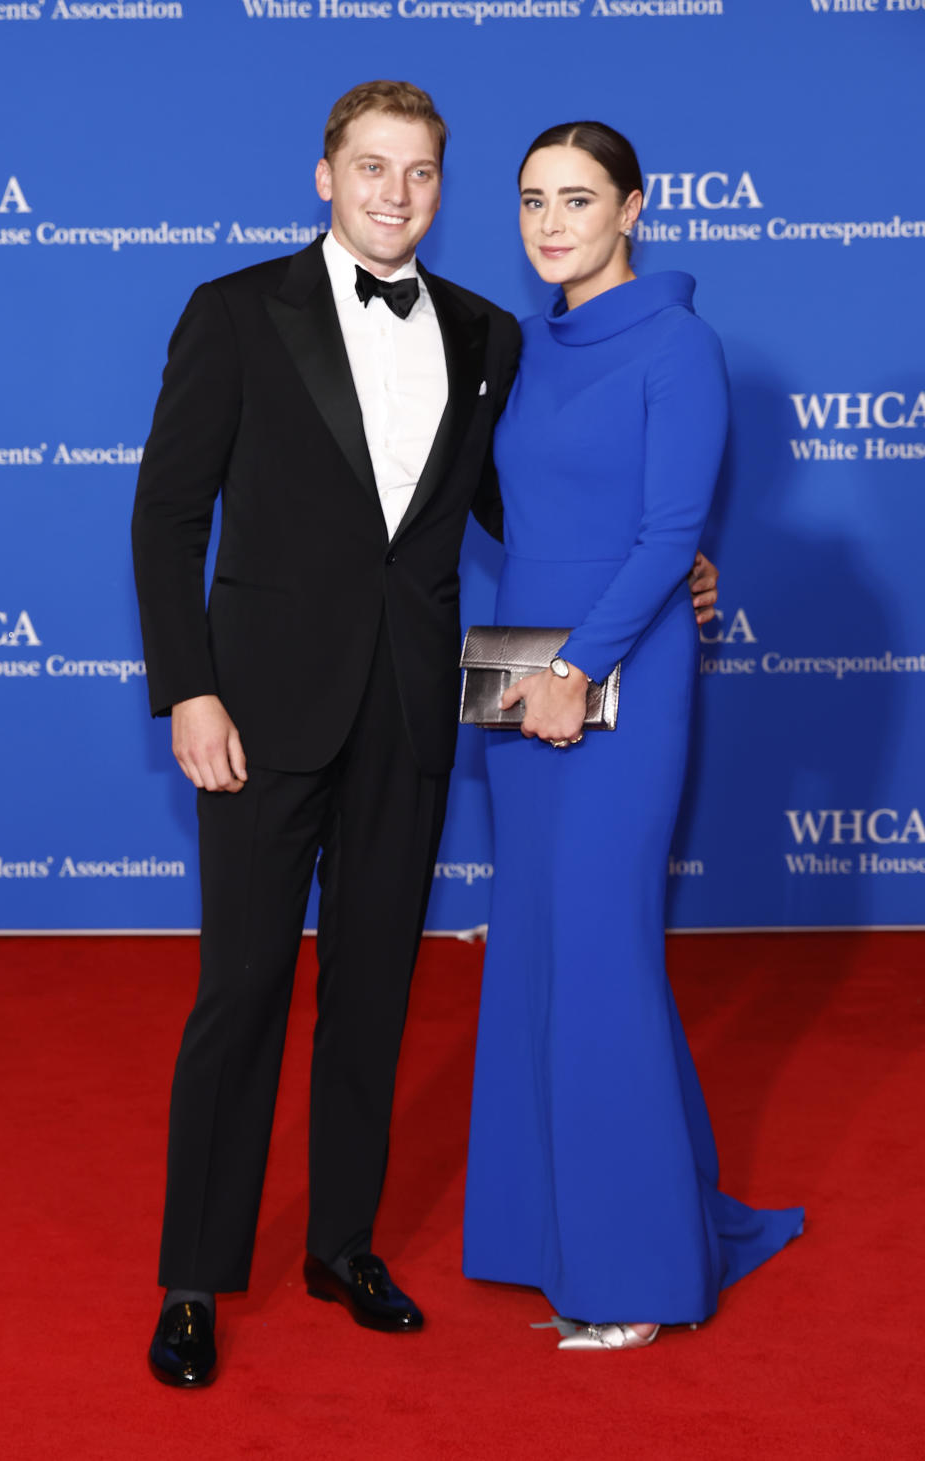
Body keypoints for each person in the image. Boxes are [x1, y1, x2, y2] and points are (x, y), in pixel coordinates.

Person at [132, 84, 719, 1387]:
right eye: (370, 169)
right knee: (239, 998)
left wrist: (672, 565)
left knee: (374, 996)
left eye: (420, 174)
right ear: (327, 176)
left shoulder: (490, 335)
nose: (395, 194)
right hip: (262, 715)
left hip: (411, 715)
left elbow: (542, 503)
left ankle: (342, 1244)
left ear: (441, 193)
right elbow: (166, 519)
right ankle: (194, 1278)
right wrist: (191, 690)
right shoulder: (233, 313)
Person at [462, 122, 803, 1351]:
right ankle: (532, 1231)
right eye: (532, 201)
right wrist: (536, 670)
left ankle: (637, 1270)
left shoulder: (681, 344)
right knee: (538, 955)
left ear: (634, 208)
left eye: (579, 198)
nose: (552, 223)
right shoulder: (525, 347)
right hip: (514, 666)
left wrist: (578, 665)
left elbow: (669, 535)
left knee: (602, 952)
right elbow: (515, 505)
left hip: (616, 668)